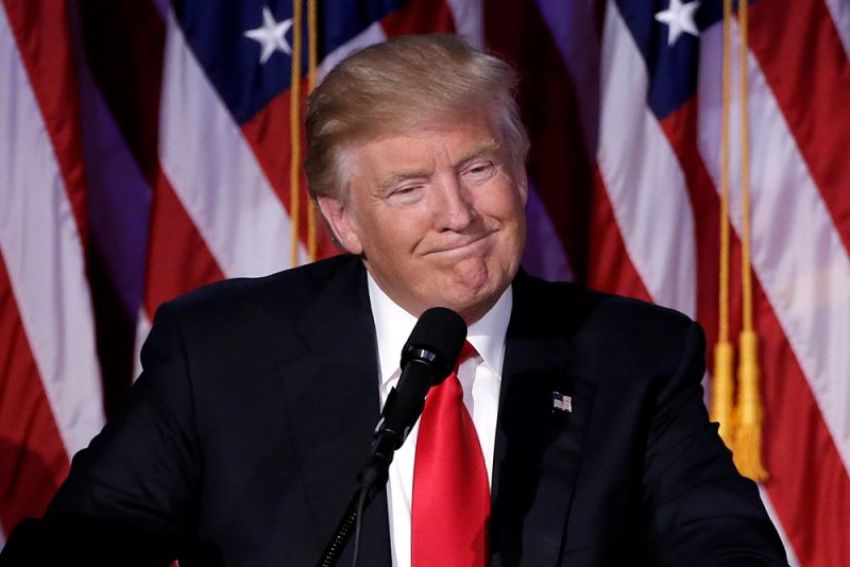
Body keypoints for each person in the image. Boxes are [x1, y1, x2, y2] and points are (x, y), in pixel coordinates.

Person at [1, 34, 786, 566]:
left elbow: (724, 545)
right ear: (344, 219)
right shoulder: (221, 352)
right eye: (410, 187)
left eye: (479, 168)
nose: (458, 213)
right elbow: (83, 548)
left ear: (519, 170)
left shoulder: (635, 355)